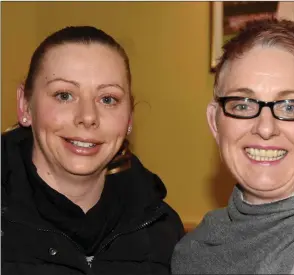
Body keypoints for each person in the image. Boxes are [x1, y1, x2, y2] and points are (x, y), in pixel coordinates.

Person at [2, 25, 184, 275]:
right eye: (64, 95)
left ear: (129, 118)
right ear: (25, 106)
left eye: (108, 99)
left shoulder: (162, 231)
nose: (88, 117)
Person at [171, 18, 294, 274]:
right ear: (214, 123)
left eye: (290, 106)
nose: (265, 128)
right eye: (243, 105)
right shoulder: (190, 254)